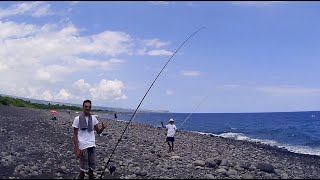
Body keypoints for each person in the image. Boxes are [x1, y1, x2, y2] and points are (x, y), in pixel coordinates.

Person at [72, 100, 106, 179]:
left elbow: (98, 132)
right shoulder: (77, 119)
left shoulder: (93, 118)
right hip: (83, 146)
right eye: (86, 106)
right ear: (83, 107)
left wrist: (103, 128)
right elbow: (75, 134)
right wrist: (76, 148)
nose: (88, 108)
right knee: (83, 170)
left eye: (89, 107)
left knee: (91, 168)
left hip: (92, 145)